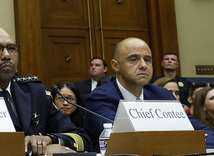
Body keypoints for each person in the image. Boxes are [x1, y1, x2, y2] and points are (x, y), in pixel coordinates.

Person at [0, 27, 92, 154]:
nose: (6, 55)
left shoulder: (34, 89)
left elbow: (82, 139)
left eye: (11, 48)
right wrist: (36, 151)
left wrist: (51, 140)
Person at [83, 37, 214, 149]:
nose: (143, 65)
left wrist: (189, 141)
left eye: (147, 59)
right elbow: (121, 139)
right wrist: (184, 141)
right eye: (133, 59)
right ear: (116, 65)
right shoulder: (100, 98)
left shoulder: (162, 95)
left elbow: (205, 133)